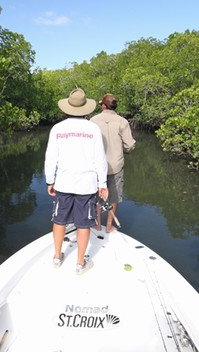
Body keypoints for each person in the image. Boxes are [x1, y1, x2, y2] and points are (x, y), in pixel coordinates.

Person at [44, 88, 108, 275]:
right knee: (83, 223)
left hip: (63, 183)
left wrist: (50, 181)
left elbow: (50, 158)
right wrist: (102, 184)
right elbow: (100, 159)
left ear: (67, 107)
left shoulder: (58, 129)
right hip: (86, 186)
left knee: (59, 220)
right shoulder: (93, 129)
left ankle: (57, 257)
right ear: (86, 109)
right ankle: (80, 263)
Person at [91, 93, 136, 232]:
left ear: (103, 105)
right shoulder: (122, 121)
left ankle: (97, 224)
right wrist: (122, 150)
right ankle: (109, 226)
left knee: (97, 197)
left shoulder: (93, 121)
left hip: (97, 166)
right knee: (114, 196)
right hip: (116, 166)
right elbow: (129, 145)